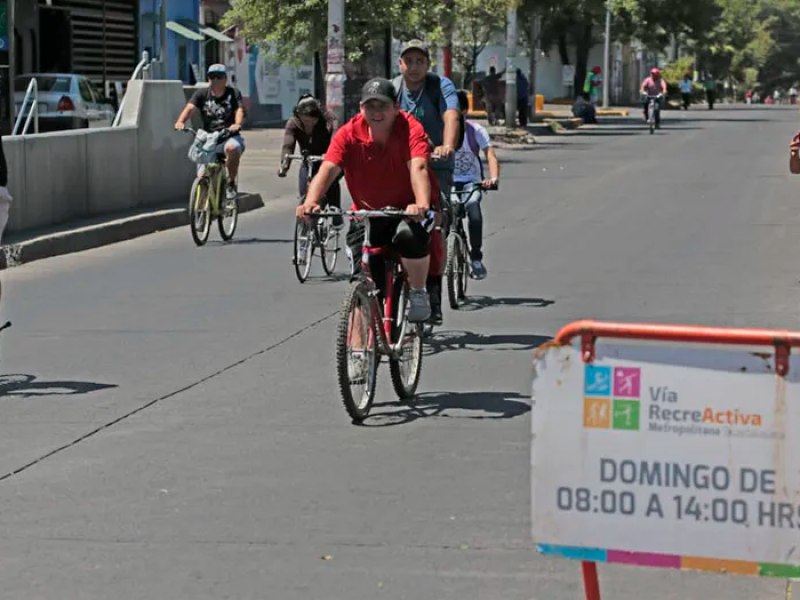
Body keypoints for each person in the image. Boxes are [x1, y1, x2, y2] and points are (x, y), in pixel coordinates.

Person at [295, 78, 437, 326]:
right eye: (370, 106)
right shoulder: (348, 133)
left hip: (407, 211)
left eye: (382, 106)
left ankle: (417, 291)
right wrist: (311, 201)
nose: (376, 113)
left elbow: (419, 166)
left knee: (409, 237)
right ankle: (359, 354)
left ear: (396, 107)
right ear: (361, 108)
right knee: (366, 284)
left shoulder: (410, 129)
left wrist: (421, 204)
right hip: (367, 214)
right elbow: (327, 170)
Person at [392, 39, 461, 328]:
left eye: (420, 61)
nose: (415, 67)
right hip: (400, 166)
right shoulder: (392, 87)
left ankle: (433, 294)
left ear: (427, 64)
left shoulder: (439, 86)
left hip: (435, 165)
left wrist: (447, 145)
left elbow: (451, 115)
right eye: (409, 61)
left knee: (432, 227)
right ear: (401, 64)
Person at [174, 64, 246, 199]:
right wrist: (180, 121)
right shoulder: (201, 94)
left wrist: (236, 124)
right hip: (209, 138)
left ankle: (230, 184)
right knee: (202, 176)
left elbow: (239, 110)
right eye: (212, 76)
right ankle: (204, 209)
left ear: (225, 79)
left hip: (228, 136)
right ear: (208, 79)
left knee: (232, 149)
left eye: (220, 77)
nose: (216, 80)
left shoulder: (233, 93)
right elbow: (190, 108)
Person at [453, 90, 500, 280]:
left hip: (472, 181)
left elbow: (490, 154)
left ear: (464, 111)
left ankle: (476, 258)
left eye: (456, 110)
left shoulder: (475, 131)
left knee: (473, 209)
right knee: (445, 214)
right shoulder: (439, 131)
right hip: (448, 182)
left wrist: (493, 178)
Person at [278, 94, 343, 228]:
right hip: (308, 160)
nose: (310, 124)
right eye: (305, 120)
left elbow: (336, 138)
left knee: (331, 179)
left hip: (328, 158)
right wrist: (284, 165)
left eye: (313, 121)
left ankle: (335, 210)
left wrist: (330, 153)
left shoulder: (329, 119)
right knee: (304, 195)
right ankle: (306, 229)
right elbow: (288, 145)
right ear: (298, 115)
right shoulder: (293, 123)